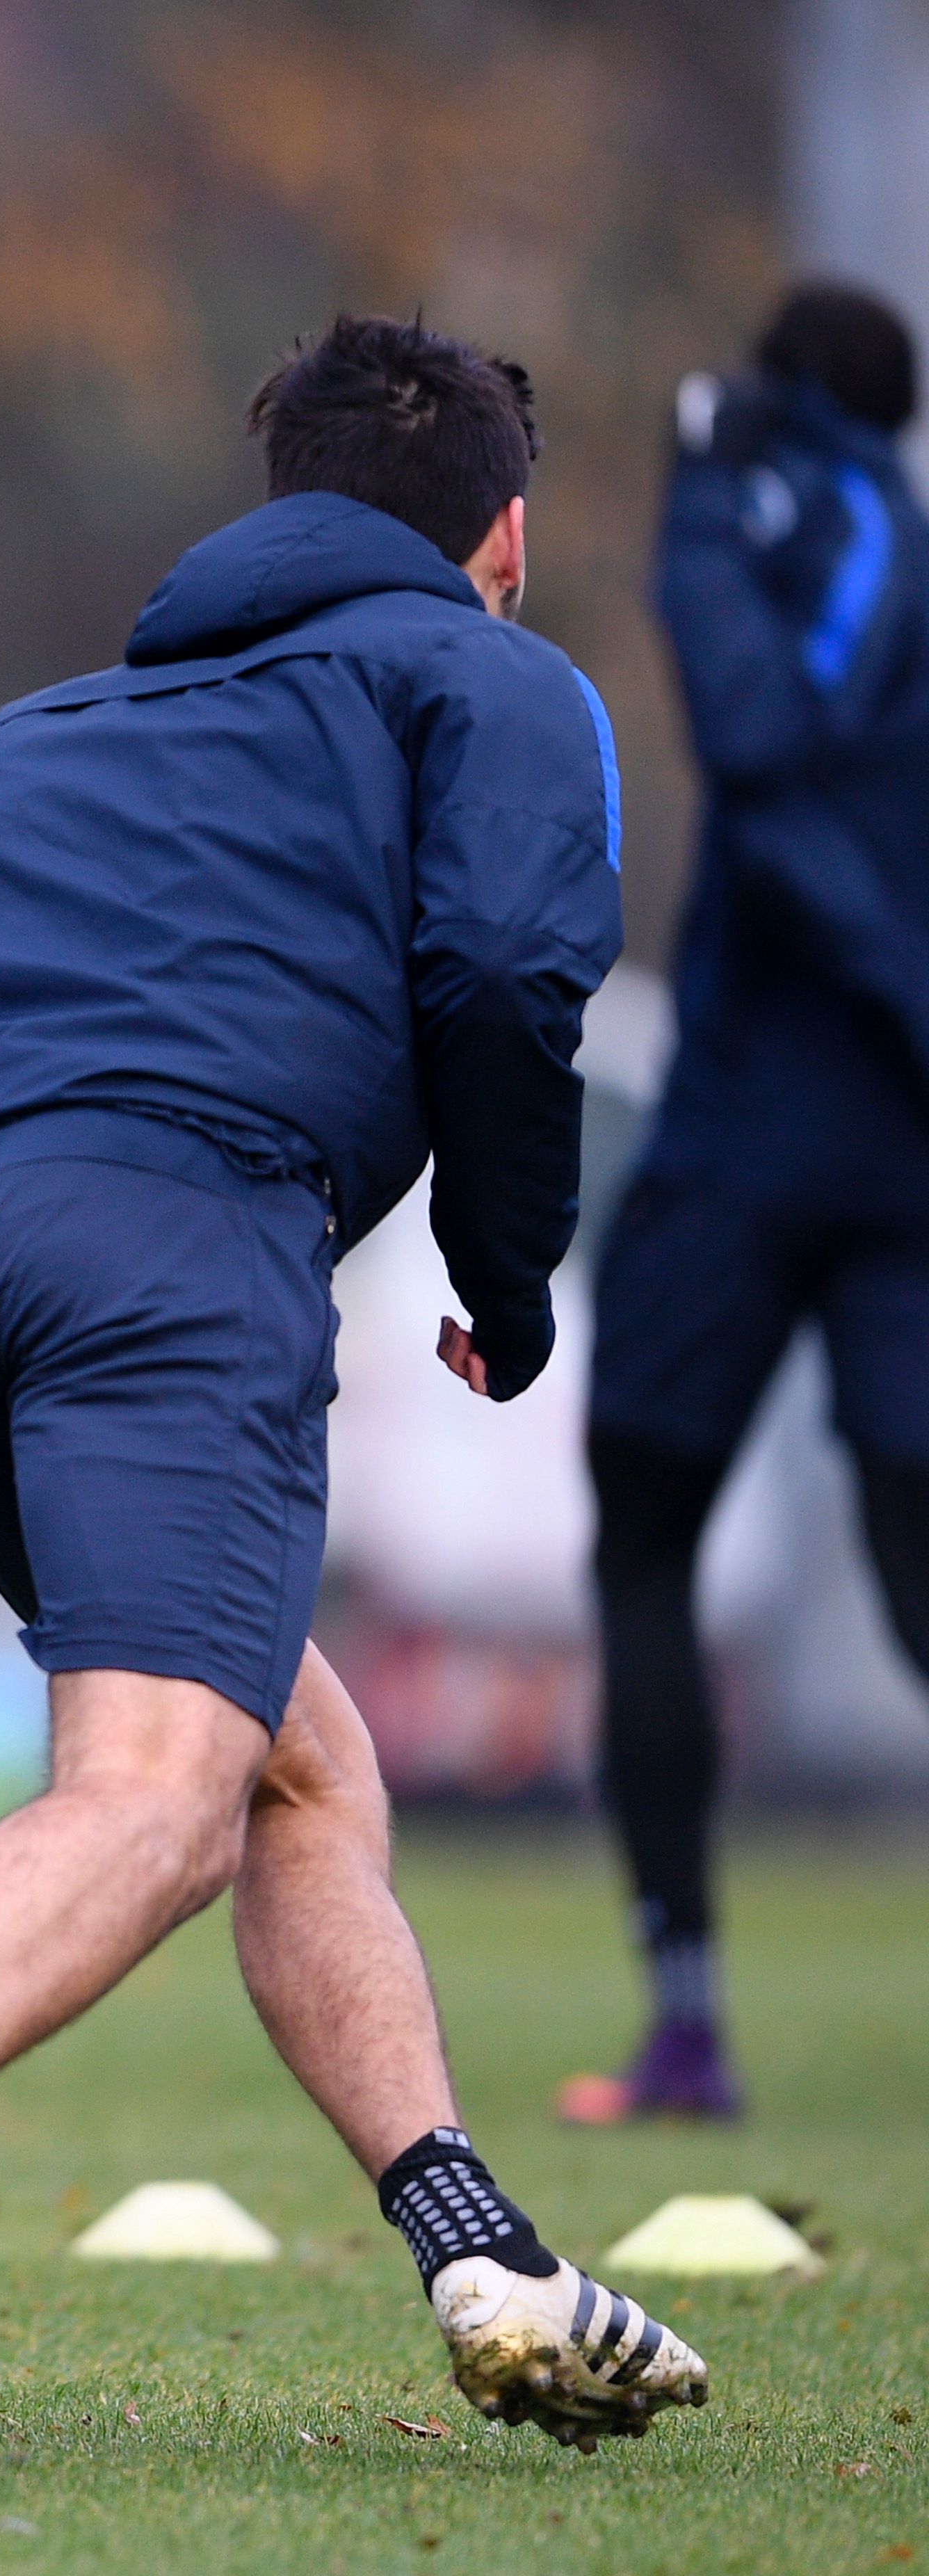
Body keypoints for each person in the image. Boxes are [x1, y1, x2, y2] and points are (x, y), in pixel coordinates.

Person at [0, 314, 702, 2472]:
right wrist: (503, 1279)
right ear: (503, 539)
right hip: (158, 1238)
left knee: (289, 1763)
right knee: (162, 1791)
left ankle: (484, 2257)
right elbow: (517, 970)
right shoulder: (497, 681)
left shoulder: (34, 728)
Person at [568, 282, 929, 2125]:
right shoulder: (899, 530)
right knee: (909, 1540)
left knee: (643, 1535)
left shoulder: (784, 506)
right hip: (902, 1147)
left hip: (752, 1128)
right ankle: (689, 2026)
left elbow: (752, 725)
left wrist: (704, 489)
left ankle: (687, 2018)